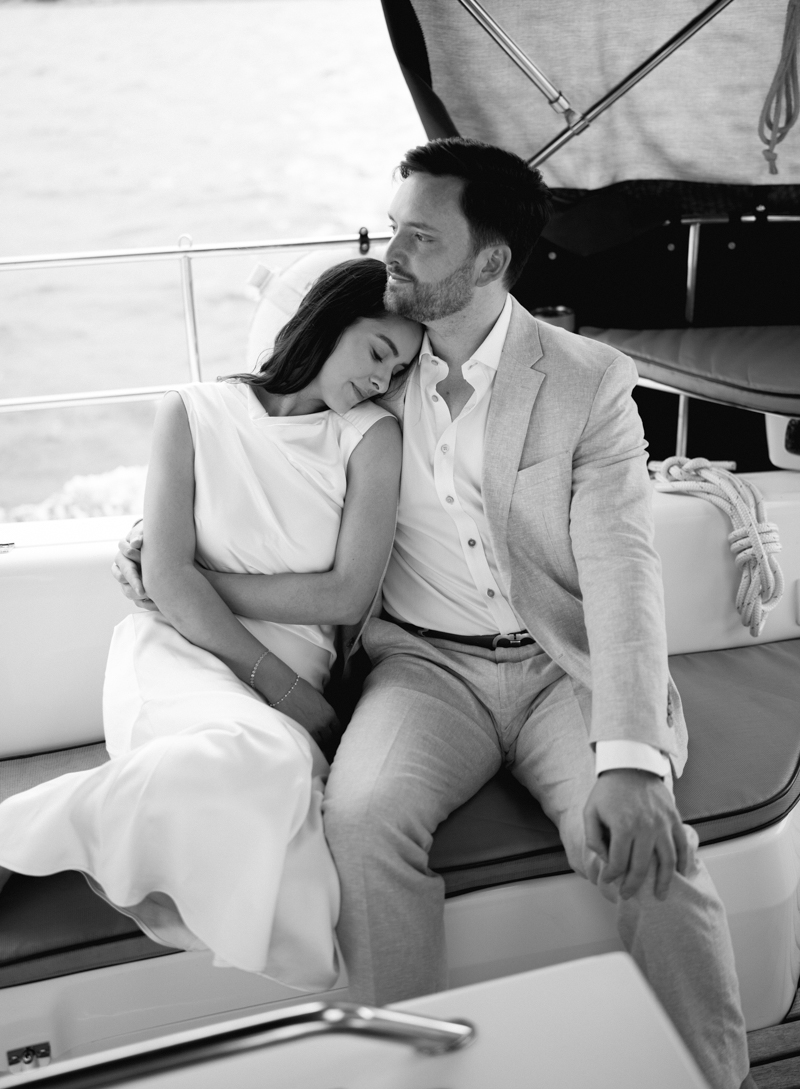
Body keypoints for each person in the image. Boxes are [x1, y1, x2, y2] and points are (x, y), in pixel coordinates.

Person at [114, 140, 755, 1089]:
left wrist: (631, 760)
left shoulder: (588, 380)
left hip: (561, 666)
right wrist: (160, 554)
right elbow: (261, 445)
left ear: (488, 261)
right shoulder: (371, 361)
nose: (393, 254)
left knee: (637, 839)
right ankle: (409, 1078)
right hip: (422, 668)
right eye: (393, 229)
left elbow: (622, 570)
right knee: (362, 820)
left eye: (420, 237)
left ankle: (716, 1077)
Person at [0, 258, 422, 992]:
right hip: (177, 654)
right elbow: (166, 582)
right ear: (330, 319)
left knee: (266, 765)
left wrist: (189, 581)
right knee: (258, 757)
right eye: (379, 351)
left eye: (400, 370)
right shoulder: (191, 411)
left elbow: (345, 596)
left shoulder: (371, 437)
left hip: (268, 666)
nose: (383, 379)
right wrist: (281, 687)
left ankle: (20, 832)